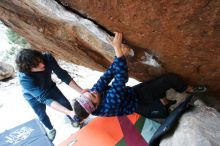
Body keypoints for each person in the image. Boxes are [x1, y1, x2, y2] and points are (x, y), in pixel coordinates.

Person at [73, 32, 208, 125]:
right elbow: (120, 78)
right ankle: (188, 89)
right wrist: (117, 49)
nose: (94, 92)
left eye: (89, 93)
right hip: (136, 102)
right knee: (169, 80)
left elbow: (107, 76)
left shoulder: (93, 95)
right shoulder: (108, 105)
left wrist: (121, 56)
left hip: (130, 95)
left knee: (158, 92)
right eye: (93, 97)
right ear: (95, 105)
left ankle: (164, 102)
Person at [16, 49, 84, 141]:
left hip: (49, 86)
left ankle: (73, 119)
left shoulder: (47, 58)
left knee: (65, 103)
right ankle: (50, 129)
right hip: (33, 96)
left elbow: (63, 75)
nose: (42, 65)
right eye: (36, 65)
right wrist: (69, 112)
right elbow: (43, 98)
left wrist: (82, 91)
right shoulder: (24, 78)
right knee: (41, 115)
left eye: (40, 60)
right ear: (28, 69)